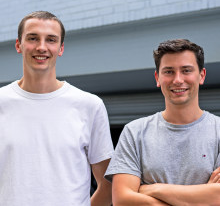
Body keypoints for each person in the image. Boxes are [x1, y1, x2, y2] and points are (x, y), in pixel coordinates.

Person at [0, 11, 114, 206]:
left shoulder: (89, 105)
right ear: (19, 45)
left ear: (60, 48)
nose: (41, 47)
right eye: (33, 38)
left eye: (51, 40)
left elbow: (109, 185)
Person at [105, 39, 220, 205]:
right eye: (169, 72)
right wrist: (202, 197)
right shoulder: (134, 132)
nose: (178, 80)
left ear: (201, 75)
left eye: (186, 70)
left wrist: (153, 189)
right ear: (157, 78)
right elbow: (122, 200)